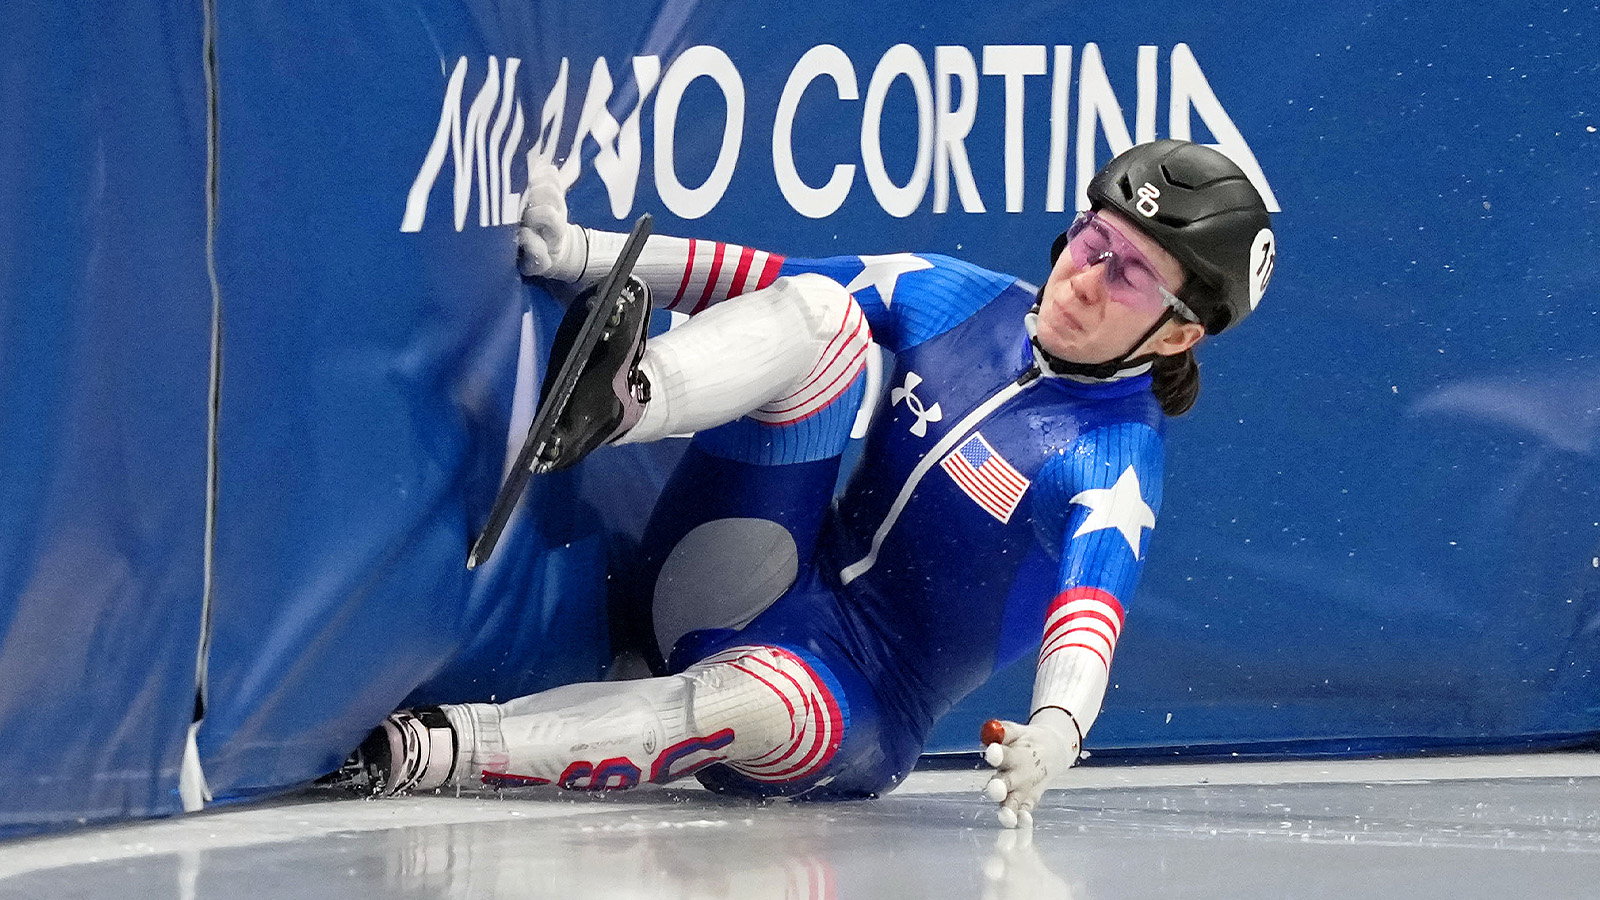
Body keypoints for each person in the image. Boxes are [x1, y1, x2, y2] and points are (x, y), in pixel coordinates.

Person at [334, 139, 1276, 828]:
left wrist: (1059, 729)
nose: (1085, 278)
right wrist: (579, 251)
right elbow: (775, 283)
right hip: (743, 578)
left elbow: (1090, 615)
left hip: (850, 706)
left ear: (1179, 333)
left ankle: (430, 749)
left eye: (1130, 276)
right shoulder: (964, 298)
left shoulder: (1113, 458)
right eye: (1092, 240)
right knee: (827, 313)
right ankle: (620, 403)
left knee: (758, 699)